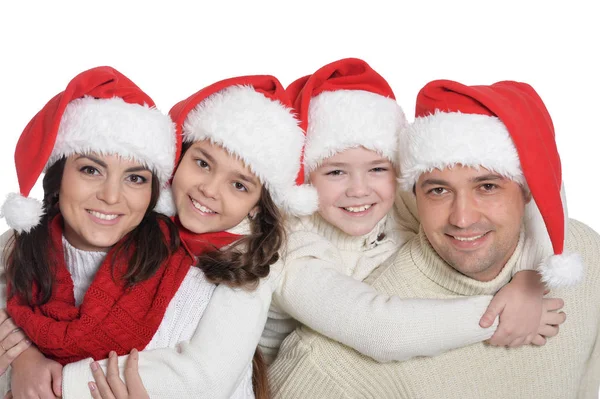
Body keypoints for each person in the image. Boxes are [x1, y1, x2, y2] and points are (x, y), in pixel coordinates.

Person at [267, 79, 598, 399]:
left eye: (487, 186)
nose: (463, 218)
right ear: (305, 176)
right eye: (335, 171)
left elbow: (544, 173)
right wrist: (501, 313)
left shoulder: (586, 253)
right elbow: (379, 328)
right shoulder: (292, 251)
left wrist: (530, 277)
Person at [59, 74, 318, 398]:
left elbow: (206, 378)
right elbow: (32, 257)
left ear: (256, 206)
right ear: (179, 158)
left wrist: (59, 382)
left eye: (239, 185)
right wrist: (24, 351)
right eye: (202, 163)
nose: (209, 189)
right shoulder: (139, 220)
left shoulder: (252, 267)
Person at [0, 65, 193, 397]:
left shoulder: (186, 278)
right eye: (91, 169)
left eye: (135, 177)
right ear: (58, 177)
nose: (111, 196)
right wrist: (18, 367)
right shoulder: (14, 252)